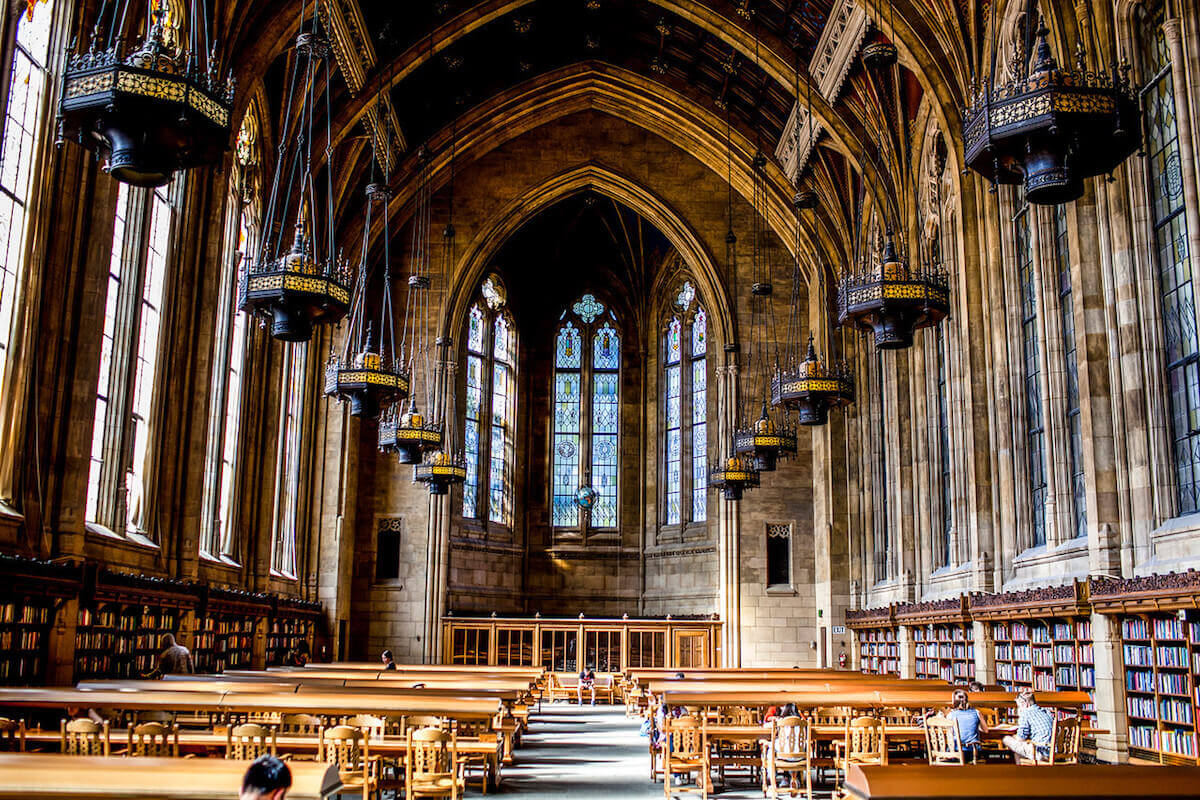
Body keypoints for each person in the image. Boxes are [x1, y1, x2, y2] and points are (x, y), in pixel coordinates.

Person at [1002, 688, 1054, 762]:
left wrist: (1014, 737)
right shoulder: (1046, 712)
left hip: (1041, 752)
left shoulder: (1026, 713)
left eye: (1019, 706)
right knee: (1018, 752)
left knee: (1006, 739)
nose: (1019, 709)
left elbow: (1021, 738)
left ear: (1025, 704)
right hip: (1053, 751)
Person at [944, 688, 987, 760]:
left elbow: (950, 732)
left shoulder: (951, 715)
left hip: (956, 752)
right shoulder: (977, 712)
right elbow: (986, 730)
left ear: (954, 701)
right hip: (973, 752)